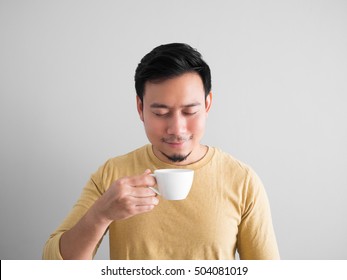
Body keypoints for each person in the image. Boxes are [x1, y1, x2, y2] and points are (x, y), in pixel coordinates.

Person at [43, 43, 280, 260]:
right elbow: (52, 265)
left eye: (190, 111)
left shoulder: (242, 180)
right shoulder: (113, 173)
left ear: (207, 105)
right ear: (140, 107)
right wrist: (100, 215)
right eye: (161, 113)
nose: (177, 128)